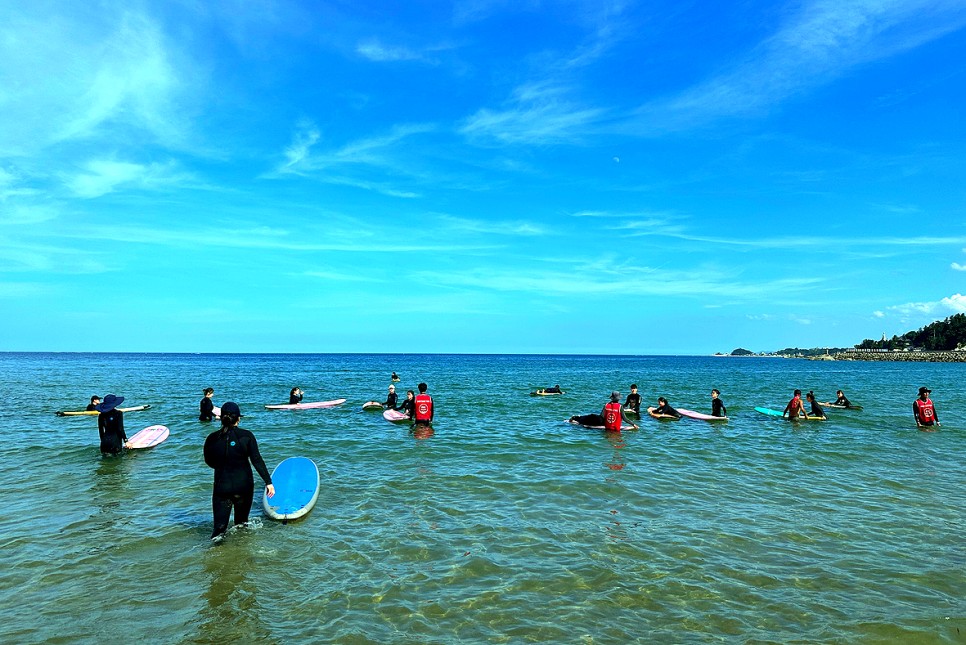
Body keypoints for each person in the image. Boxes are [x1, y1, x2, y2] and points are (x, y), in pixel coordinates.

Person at [203, 402, 275, 540]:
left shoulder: (212, 438)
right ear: (238, 418)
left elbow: (209, 462)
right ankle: (242, 554)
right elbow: (256, 460)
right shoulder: (247, 436)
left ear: (221, 417)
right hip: (244, 486)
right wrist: (268, 482)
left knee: (219, 529)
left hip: (222, 487)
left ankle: (214, 557)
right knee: (241, 525)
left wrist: (222, 466)